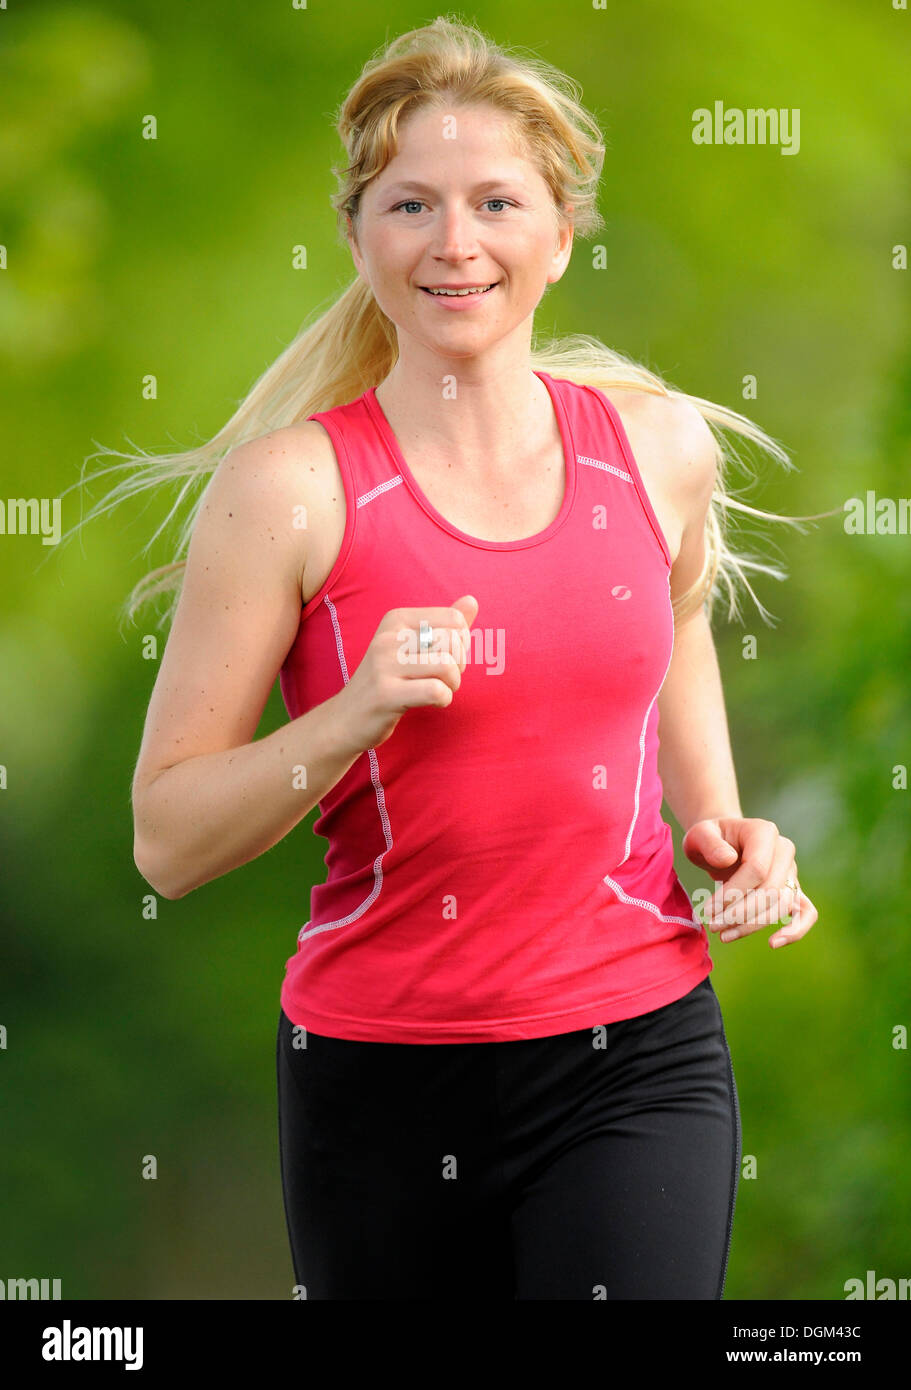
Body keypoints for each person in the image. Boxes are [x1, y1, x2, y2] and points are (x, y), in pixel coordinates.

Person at [83, 17, 822, 1299]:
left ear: (562, 229)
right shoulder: (292, 494)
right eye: (410, 204)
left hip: (633, 1047)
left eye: (495, 201)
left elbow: (678, 613)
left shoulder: (657, 450)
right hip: (380, 1076)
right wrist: (347, 717)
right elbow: (166, 838)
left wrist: (724, 827)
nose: (455, 242)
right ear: (359, 234)